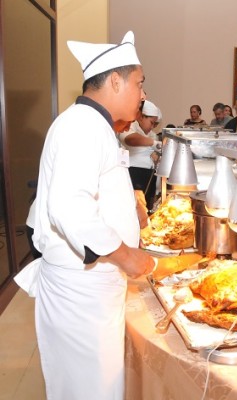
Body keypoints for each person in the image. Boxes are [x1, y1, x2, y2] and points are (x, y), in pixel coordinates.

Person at [17, 31, 155, 399]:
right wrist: (128, 257)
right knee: (89, 390)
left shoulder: (95, 126)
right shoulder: (81, 126)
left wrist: (129, 204)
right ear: (115, 80)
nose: (143, 94)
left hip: (92, 288)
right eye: (139, 84)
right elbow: (69, 208)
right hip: (80, 291)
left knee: (97, 385)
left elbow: (93, 190)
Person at [119, 100, 162, 211]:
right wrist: (153, 144)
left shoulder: (148, 133)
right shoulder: (130, 125)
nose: (152, 126)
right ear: (141, 117)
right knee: (135, 209)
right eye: (151, 122)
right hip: (134, 173)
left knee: (146, 209)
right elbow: (130, 139)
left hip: (148, 175)